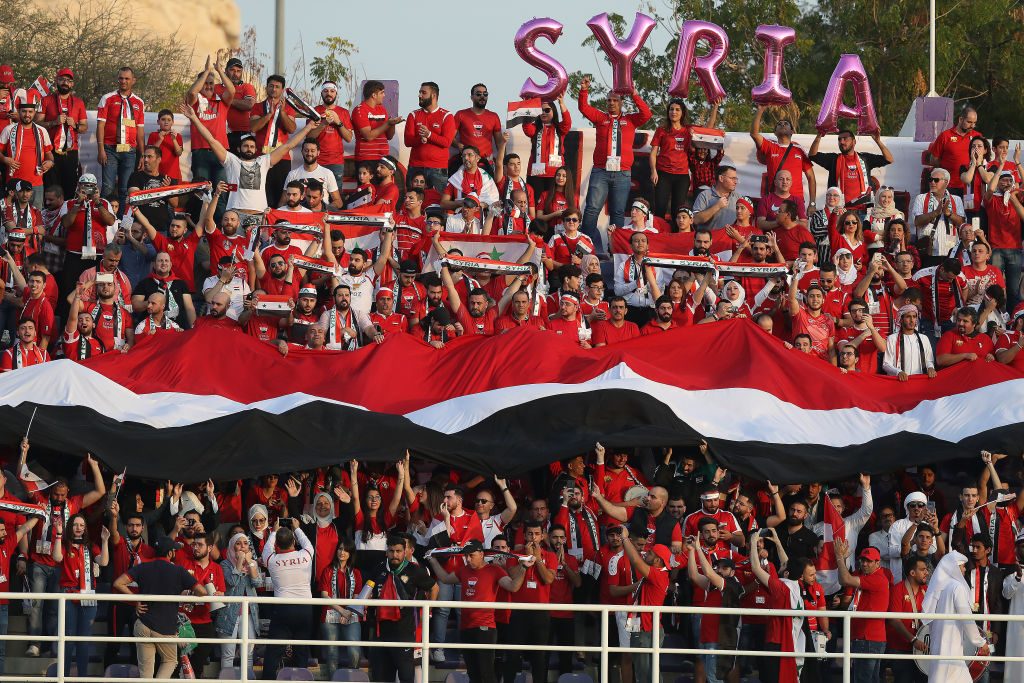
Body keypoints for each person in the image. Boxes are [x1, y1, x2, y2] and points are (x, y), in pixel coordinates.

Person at [180, 101, 324, 223]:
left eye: (252, 147)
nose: (249, 149)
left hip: (259, 216)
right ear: (239, 148)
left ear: (256, 149)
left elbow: (288, 146)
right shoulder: (231, 161)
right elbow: (211, 140)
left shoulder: (264, 161)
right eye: (246, 146)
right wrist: (194, 118)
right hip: (234, 216)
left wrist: (309, 127)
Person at [428, 539, 527, 683]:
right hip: (466, 627)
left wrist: (523, 568)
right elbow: (445, 578)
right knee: (473, 674)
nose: (468, 559)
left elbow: (513, 587)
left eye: (471, 555)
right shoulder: (464, 570)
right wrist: (432, 560)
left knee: (486, 674)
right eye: (465, 556)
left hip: (485, 628)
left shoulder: (494, 570)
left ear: (481, 554)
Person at [113, 536, 208, 680]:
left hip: (143, 624)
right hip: (166, 627)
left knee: (146, 672)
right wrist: (185, 591)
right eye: (174, 550)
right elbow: (202, 591)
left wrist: (137, 600)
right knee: (170, 661)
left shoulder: (143, 567)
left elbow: (118, 583)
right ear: (170, 553)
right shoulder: (179, 571)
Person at [576, 74, 651, 251]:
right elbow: (584, 108)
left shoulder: (630, 120)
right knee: (592, 209)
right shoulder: (600, 118)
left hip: (622, 173)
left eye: (615, 100)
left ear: (621, 103)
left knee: (618, 212)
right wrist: (584, 90)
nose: (611, 103)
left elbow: (646, 114)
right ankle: (585, 248)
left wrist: (634, 94)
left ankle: (616, 249)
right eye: (609, 100)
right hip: (601, 171)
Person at [366, 534, 436, 683]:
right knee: (382, 678)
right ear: (387, 552)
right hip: (381, 632)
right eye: (391, 551)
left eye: (398, 551)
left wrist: (428, 610)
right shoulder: (378, 569)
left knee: (406, 677)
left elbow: (434, 587)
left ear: (405, 552)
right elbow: (367, 590)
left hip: (404, 632)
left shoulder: (415, 570)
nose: (395, 555)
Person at [921, 551, 990, 683]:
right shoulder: (957, 587)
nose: (964, 569)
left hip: (940, 643)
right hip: (951, 645)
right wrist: (980, 642)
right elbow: (967, 618)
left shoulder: (939, 586)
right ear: (955, 568)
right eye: (962, 566)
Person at [260, 521, 315, 679]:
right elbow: (307, 543)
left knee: (273, 652)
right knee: (301, 651)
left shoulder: (271, 559)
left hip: (283, 609)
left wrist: (273, 531)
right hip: (305, 609)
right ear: (294, 541)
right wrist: (297, 528)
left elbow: (266, 549)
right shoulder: (306, 554)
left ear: (277, 544)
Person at [834, 539, 889, 683]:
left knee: (863, 679)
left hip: (868, 637)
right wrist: (843, 559)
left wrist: (839, 557)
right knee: (869, 679)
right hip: (866, 637)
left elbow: (845, 579)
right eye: (862, 560)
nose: (864, 564)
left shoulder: (878, 578)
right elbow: (843, 579)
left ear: (878, 563)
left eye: (869, 561)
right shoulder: (867, 576)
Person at [620, 534, 671, 683]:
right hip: (645, 626)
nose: (646, 553)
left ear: (657, 560)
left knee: (645, 675)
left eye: (650, 553)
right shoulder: (660, 575)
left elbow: (635, 561)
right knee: (650, 674)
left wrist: (625, 539)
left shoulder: (657, 575)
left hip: (646, 628)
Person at [96, 67, 145, 206]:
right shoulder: (107, 98)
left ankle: (123, 217)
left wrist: (142, 155)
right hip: (110, 149)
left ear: (133, 80)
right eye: (121, 78)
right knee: (108, 187)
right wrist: (100, 150)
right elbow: (100, 126)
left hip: (129, 150)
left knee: (126, 189)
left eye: (127, 78)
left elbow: (140, 131)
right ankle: (106, 217)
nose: (123, 81)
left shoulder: (139, 102)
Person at [750, 105, 815, 208]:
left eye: (786, 124)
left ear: (792, 131)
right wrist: (760, 110)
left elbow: (811, 177)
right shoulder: (770, 146)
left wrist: (812, 203)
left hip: (796, 201)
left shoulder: (799, 149)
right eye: (779, 124)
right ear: (775, 132)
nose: (782, 125)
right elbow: (754, 134)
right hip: (774, 201)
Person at [39, 68, 88, 198]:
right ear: (57, 81)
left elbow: (84, 127)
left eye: (68, 80)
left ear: (72, 84)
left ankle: (67, 210)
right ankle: (50, 211)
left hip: (70, 151)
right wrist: (53, 122)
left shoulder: (79, 102)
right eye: (62, 79)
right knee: (51, 187)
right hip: (51, 151)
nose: (65, 82)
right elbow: (37, 124)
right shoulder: (46, 100)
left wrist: (75, 125)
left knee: (70, 187)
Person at [216, 533, 261, 672]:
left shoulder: (252, 563)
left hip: (249, 614)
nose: (242, 546)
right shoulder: (225, 564)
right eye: (238, 543)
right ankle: (227, 680)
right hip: (228, 614)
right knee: (228, 654)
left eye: (245, 543)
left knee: (248, 654)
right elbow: (232, 581)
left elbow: (257, 583)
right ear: (232, 546)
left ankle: (248, 679)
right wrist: (240, 561)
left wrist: (250, 563)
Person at [250, 74, 297, 206]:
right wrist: (269, 115)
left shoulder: (288, 107)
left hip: (282, 158)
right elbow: (253, 127)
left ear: (282, 90)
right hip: (261, 156)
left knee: (281, 195)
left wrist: (282, 112)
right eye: (271, 86)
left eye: (277, 87)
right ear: (266, 88)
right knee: (262, 195)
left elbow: (292, 129)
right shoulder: (257, 106)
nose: (274, 89)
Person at [404, 82, 455, 192]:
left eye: (423, 93)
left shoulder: (447, 115)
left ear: (433, 95)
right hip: (415, 166)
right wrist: (420, 139)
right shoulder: (413, 115)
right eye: (419, 92)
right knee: (412, 198)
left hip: (438, 168)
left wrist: (429, 135)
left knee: (436, 200)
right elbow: (407, 141)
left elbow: (447, 142)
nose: (419, 95)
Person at [649, 98, 693, 220]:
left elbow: (707, 129)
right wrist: (653, 171)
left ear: (682, 113)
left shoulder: (688, 131)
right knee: (660, 209)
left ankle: (675, 232)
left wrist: (715, 107)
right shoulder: (661, 130)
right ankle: (659, 232)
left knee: (678, 211)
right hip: (663, 174)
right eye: (671, 109)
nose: (674, 112)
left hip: (682, 176)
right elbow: (653, 153)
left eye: (677, 110)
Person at [927, 105, 982, 194]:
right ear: (960, 119)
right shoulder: (945, 136)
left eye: (974, 123)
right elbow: (934, 160)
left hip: (970, 187)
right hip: (949, 185)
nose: (972, 126)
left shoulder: (977, 136)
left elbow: (984, 159)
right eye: (969, 122)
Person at [521, 94, 569, 195]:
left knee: (552, 202)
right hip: (536, 174)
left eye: (547, 110)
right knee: (535, 202)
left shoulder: (560, 128)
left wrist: (561, 103)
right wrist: (528, 105)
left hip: (555, 175)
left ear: (554, 111)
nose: (543, 112)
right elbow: (527, 128)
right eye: (541, 110)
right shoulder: (535, 128)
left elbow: (567, 122)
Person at [352, 80, 402, 166]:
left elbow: (389, 136)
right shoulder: (360, 110)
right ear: (374, 95)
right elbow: (368, 136)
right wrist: (387, 124)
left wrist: (392, 124)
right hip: (366, 159)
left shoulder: (382, 109)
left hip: (383, 158)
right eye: (382, 93)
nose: (384, 95)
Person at [883, 305, 937, 379]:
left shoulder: (924, 338)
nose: (912, 320)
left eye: (914, 317)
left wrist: (930, 367)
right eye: (908, 317)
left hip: (919, 381)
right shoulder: (892, 338)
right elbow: (886, 364)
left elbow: (929, 360)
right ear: (901, 319)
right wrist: (898, 372)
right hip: (900, 381)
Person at [1001, 531, 1024, 683]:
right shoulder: (1011, 572)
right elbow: (1006, 594)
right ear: (1016, 549)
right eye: (1023, 546)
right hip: (1017, 628)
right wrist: (1018, 577)